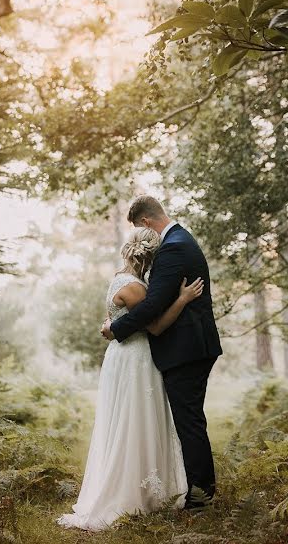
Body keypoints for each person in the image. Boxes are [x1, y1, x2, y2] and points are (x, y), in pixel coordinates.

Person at [58, 226, 205, 531]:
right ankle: (132, 495)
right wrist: (182, 298)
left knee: (132, 420)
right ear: (150, 258)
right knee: (135, 422)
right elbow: (156, 327)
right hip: (135, 358)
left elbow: (122, 320)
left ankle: (144, 489)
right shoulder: (136, 288)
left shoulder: (119, 279)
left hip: (123, 356)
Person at [101, 195, 223, 509]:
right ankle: (199, 492)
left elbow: (153, 305)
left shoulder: (174, 246)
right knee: (189, 420)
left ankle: (201, 498)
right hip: (190, 346)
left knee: (189, 421)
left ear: (145, 222)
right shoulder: (179, 240)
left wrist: (117, 330)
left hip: (187, 349)